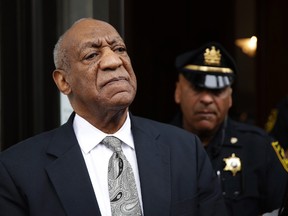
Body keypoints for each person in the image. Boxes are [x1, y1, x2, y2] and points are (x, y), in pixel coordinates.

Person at [0, 18, 228, 216]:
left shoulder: (185, 150)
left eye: (119, 49)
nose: (114, 61)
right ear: (63, 81)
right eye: (91, 55)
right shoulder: (17, 170)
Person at [170, 42, 288, 216]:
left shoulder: (260, 148)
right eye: (198, 88)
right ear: (178, 92)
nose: (207, 99)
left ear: (230, 98)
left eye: (217, 91)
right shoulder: (156, 147)